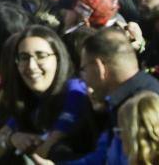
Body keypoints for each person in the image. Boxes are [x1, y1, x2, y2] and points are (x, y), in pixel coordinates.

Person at [30, 27, 159, 165]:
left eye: (84, 69)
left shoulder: (143, 106)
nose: (83, 79)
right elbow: (100, 155)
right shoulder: (118, 101)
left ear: (99, 68)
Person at [0, 26, 96, 160]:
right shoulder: (30, 99)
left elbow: (49, 149)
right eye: (24, 57)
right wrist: (12, 139)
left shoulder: (75, 91)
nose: (31, 66)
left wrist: (30, 147)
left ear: (58, 58)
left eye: (41, 56)